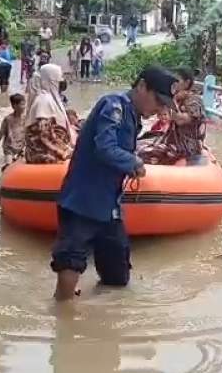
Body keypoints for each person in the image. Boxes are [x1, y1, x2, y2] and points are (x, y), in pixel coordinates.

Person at [51, 66, 178, 301]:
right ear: (141, 87)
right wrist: (134, 162)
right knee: (71, 260)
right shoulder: (114, 106)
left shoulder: (132, 114)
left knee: (118, 275)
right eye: (158, 101)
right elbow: (105, 147)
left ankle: (105, 319)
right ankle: (63, 316)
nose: (159, 109)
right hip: (84, 201)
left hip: (109, 206)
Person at [137, 67, 205, 165]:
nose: (173, 83)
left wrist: (171, 102)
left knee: (142, 154)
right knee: (137, 144)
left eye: (177, 80)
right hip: (171, 140)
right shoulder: (176, 98)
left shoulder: (194, 100)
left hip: (186, 146)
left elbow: (181, 120)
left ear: (186, 83)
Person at [24, 64, 73, 164]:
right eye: (58, 80)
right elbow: (44, 136)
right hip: (42, 153)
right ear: (51, 80)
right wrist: (63, 151)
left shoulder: (48, 99)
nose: (59, 83)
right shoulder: (44, 101)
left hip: (49, 149)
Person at [0, 93, 26, 166]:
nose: (24, 107)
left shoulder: (26, 118)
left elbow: (29, 134)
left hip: (21, 147)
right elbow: (1, 134)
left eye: (24, 104)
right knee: (8, 165)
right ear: (14, 106)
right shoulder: (8, 119)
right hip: (9, 148)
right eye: (22, 105)